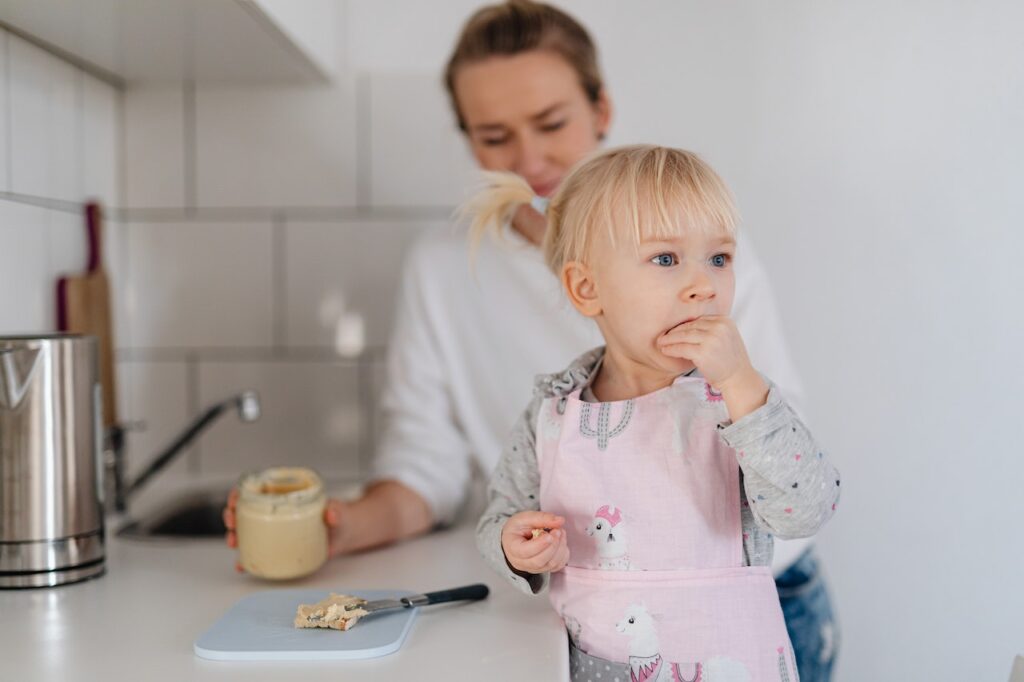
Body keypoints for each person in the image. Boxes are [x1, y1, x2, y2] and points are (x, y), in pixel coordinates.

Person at [224, 2, 840, 677]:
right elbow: (433, 466)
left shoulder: (703, 258)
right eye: (494, 136)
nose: (530, 158)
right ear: (582, 290)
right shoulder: (452, 280)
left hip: (752, 612)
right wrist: (345, 526)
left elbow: (793, 481)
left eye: (552, 123)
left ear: (601, 108)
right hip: (594, 636)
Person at [469, 144, 841, 679]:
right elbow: (498, 517)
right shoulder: (553, 414)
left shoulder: (737, 402)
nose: (703, 285)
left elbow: (808, 510)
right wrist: (514, 547)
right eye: (666, 259)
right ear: (586, 287)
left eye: (720, 258)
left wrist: (740, 383)